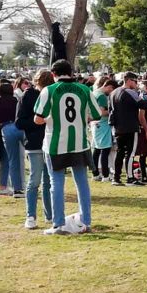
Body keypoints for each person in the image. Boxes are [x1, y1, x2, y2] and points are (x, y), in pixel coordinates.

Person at [34, 59, 101, 234]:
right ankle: (85, 221)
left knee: (56, 183)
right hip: (79, 143)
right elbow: (96, 115)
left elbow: (38, 118)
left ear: (53, 74)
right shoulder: (85, 89)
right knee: (82, 182)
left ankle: (58, 224)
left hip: (55, 144)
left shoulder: (49, 90)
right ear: (71, 72)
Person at [17, 70, 55, 230]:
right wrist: (40, 122)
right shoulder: (29, 95)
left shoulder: (52, 94)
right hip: (36, 143)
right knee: (35, 180)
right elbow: (20, 122)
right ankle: (31, 215)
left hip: (50, 142)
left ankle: (49, 215)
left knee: (48, 182)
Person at [109, 72, 146, 187]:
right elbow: (144, 105)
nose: (136, 84)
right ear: (129, 80)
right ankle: (130, 177)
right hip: (130, 127)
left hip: (118, 127)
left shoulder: (113, 92)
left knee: (120, 153)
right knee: (130, 154)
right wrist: (141, 94)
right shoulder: (131, 92)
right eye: (135, 81)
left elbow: (111, 110)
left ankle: (116, 177)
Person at [90, 77, 116, 181]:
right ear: (109, 87)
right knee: (105, 150)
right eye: (112, 90)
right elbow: (101, 112)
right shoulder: (101, 96)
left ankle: (95, 173)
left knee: (96, 150)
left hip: (95, 124)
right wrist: (112, 112)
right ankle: (105, 175)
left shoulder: (95, 92)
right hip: (103, 124)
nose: (111, 92)